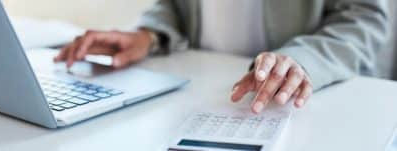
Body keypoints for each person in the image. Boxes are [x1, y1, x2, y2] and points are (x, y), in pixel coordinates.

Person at [54, 0, 389, 113]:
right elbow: (175, 5)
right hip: (198, 91)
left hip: (299, 102)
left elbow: (364, 16)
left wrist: (302, 60)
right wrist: (149, 35)